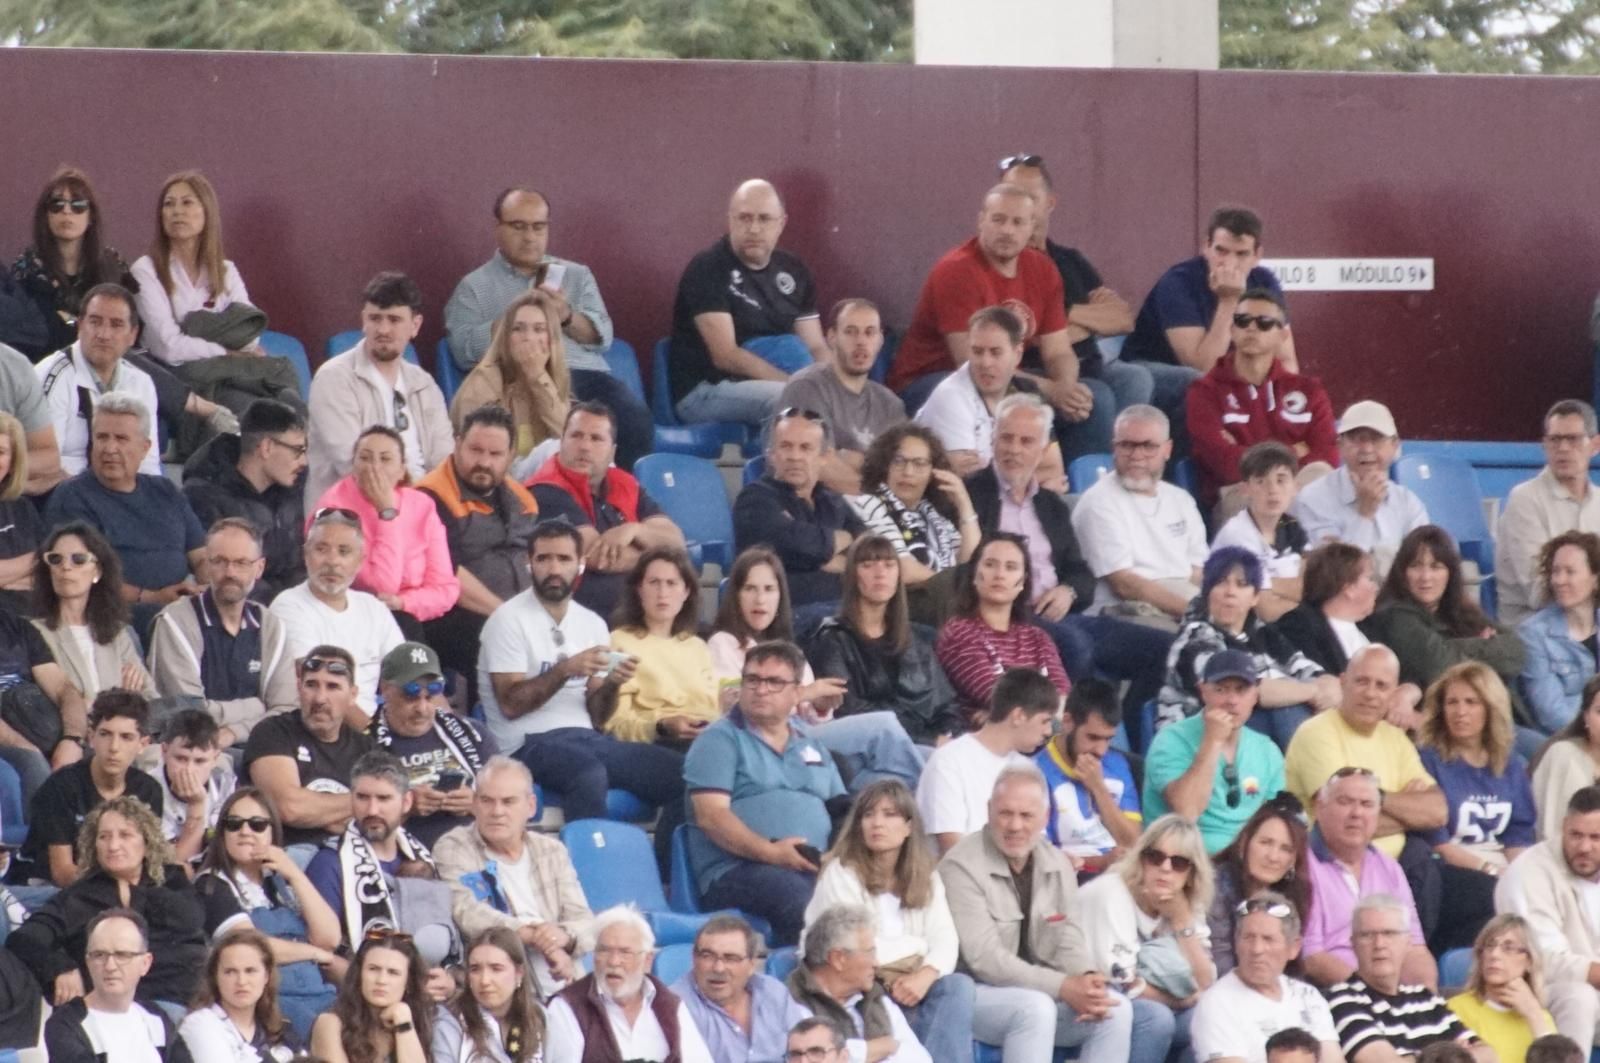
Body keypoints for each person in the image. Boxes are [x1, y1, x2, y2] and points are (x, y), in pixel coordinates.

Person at [477, 519, 685, 867]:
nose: (554, 569)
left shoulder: (592, 623)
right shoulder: (507, 620)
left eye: (563, 559)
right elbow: (511, 704)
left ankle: (662, 874)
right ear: (529, 565)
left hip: (586, 737)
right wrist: (565, 669)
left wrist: (614, 682)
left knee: (682, 773)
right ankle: (588, 880)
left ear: (581, 564)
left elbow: (600, 717)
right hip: (525, 743)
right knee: (587, 773)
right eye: (543, 559)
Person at [967, 391, 1173, 712]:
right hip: (1011, 614)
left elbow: (1080, 572)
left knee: (1167, 649)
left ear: (1042, 448)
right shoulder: (970, 495)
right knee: (1075, 647)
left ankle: (1128, 729)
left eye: (1026, 441)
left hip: (1064, 614)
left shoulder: (1050, 505)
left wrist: (1068, 591)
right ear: (992, 439)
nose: (1014, 450)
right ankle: (1072, 736)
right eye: (1006, 438)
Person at [939, 763, 1154, 1063]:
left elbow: (1069, 939)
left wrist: (1087, 978)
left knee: (1113, 1009)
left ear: (1045, 817)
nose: (1015, 826)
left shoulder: (1057, 863)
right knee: (1035, 1009)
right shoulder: (960, 865)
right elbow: (984, 959)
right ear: (989, 811)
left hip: (1037, 989)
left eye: (1026, 815)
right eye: (1005, 813)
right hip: (973, 995)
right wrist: (1063, 986)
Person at [892, 186, 1111, 462]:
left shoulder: (1043, 269)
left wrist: (1066, 388)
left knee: (1095, 400)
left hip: (1005, 374)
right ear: (981, 220)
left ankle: (1066, 491)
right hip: (935, 380)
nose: (1007, 230)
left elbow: (1058, 350)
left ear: (1032, 227)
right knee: (1007, 393)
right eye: (998, 220)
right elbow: (973, 363)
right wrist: (1051, 391)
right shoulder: (956, 270)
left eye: (1018, 222)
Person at [445, 185, 648, 467]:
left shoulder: (577, 275)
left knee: (633, 418)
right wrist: (513, 323)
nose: (529, 237)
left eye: (538, 228)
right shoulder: (474, 287)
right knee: (563, 436)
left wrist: (565, 315)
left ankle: (617, 498)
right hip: (516, 377)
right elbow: (462, 349)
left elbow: (603, 337)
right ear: (498, 228)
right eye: (519, 227)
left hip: (581, 373)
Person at [706, 546, 924, 793]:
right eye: (750, 589)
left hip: (809, 737)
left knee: (930, 757)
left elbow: (814, 716)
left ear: (780, 597)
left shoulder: (790, 650)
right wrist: (804, 693)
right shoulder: (724, 643)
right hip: (774, 742)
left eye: (769, 589)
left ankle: (863, 801)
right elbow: (737, 706)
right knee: (884, 726)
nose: (760, 600)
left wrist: (821, 706)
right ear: (735, 596)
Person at [9, 795, 247, 1011]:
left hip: (201, 997)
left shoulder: (170, 879)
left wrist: (132, 894)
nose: (113, 846)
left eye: (125, 835)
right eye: (104, 837)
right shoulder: (80, 896)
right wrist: (59, 967)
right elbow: (25, 939)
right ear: (94, 845)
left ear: (146, 842)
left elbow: (190, 918)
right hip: (143, 1007)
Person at [685, 639, 846, 946]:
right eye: (753, 680)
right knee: (801, 899)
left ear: (797, 693)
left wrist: (836, 858)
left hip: (812, 865)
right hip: (737, 870)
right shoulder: (718, 740)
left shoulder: (811, 744)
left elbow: (841, 809)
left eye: (774, 682)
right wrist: (771, 853)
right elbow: (711, 816)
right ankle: (802, 988)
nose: (761, 690)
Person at [801, 780, 974, 1061]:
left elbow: (945, 939)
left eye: (889, 814)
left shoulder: (925, 876)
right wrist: (918, 948)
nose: (876, 823)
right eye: (868, 815)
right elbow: (852, 949)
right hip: (858, 985)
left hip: (911, 986)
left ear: (908, 827)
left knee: (957, 987)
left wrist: (925, 974)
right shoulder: (840, 872)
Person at [128, 171, 300, 417]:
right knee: (252, 412)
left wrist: (195, 329)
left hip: (230, 372)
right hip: (185, 380)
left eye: (187, 202)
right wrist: (226, 349)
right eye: (169, 204)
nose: (177, 211)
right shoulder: (146, 270)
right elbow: (167, 347)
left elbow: (249, 334)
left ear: (206, 212)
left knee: (287, 402)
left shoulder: (226, 270)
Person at [998, 154, 1153, 417]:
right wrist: (1079, 323)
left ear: (1050, 203)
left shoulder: (1069, 259)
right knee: (1097, 396)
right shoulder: (1005, 262)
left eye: (1030, 199)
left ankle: (1126, 452)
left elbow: (1122, 319)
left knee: (1137, 378)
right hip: (1036, 369)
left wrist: (1064, 316)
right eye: (1012, 197)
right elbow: (1031, 336)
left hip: (1092, 360)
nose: (1020, 207)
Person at [43, 392, 208, 635]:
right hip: (113, 613)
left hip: (178, 607)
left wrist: (206, 587)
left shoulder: (165, 491)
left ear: (145, 448)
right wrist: (150, 596)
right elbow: (76, 575)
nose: (110, 448)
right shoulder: (73, 496)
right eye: (102, 437)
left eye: (121, 439)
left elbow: (201, 555)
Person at [669, 179, 826, 430]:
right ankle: (777, 470)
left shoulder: (794, 270)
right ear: (730, 221)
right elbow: (726, 356)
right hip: (706, 390)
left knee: (837, 404)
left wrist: (833, 389)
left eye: (764, 219)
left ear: (781, 223)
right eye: (744, 218)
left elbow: (816, 346)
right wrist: (796, 386)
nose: (753, 228)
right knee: (789, 401)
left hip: (775, 380)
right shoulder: (707, 267)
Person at [433, 756, 595, 1000]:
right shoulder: (454, 847)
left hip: (566, 986)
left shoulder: (551, 850)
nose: (497, 811)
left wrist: (563, 937)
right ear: (474, 804)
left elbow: (585, 922)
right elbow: (469, 913)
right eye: (487, 801)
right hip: (495, 993)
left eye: (508, 802)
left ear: (530, 806)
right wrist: (530, 934)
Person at [1122, 206, 1294, 431]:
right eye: (1221, 251)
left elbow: (1287, 359)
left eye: (1241, 254)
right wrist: (1229, 301)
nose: (1229, 263)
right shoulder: (1179, 282)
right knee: (1199, 384)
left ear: (1257, 256)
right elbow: (1203, 366)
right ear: (1206, 247)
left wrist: (1284, 405)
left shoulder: (1265, 282)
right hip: (1156, 371)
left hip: (1229, 377)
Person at [191, 787, 343, 1040]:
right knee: (332, 1033)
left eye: (258, 825)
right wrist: (316, 953)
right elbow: (252, 947)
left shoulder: (280, 882)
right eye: (234, 824)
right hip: (273, 1001)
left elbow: (329, 937)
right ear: (222, 833)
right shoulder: (211, 885)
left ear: (273, 832)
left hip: (321, 993)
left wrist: (294, 873)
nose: (245, 832)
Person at [302, 752, 456, 991]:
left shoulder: (423, 858)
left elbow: (448, 936)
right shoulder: (329, 864)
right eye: (363, 798)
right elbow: (323, 958)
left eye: (384, 798)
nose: (372, 809)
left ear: (406, 802)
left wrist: (449, 978)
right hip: (362, 999)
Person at [1156, 546, 1338, 743]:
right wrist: (1311, 692)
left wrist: (1328, 686)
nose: (1230, 592)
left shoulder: (1263, 632)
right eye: (1220, 583)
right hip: (1194, 738)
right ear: (1207, 592)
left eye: (1241, 584)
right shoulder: (1194, 636)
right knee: (1286, 709)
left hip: (1248, 734)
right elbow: (1245, 691)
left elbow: (1307, 669)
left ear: (1255, 597)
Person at [1283, 645, 1447, 861]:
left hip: (1396, 869)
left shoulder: (1394, 737)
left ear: (1393, 694)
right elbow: (1338, 825)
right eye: (1361, 681)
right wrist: (1409, 814)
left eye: (1381, 686)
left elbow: (1438, 812)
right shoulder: (1316, 732)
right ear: (1343, 682)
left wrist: (1378, 797)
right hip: (1331, 866)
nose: (1370, 694)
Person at [416, 404, 540, 687]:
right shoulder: (430, 496)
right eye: (475, 450)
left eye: (495, 454)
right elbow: (448, 572)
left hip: (519, 609)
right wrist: (507, 615)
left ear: (511, 456)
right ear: (458, 444)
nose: (484, 462)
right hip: (459, 616)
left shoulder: (523, 499)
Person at [1415, 662, 1536, 951]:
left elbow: (1517, 837)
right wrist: (1491, 870)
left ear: (1490, 708)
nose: (1460, 712)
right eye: (1452, 702)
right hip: (1450, 868)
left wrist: (1523, 875)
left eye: (1471, 702)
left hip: (1498, 865)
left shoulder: (1510, 765)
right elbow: (1438, 842)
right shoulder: (1427, 760)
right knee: (1494, 895)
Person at [526, 401, 685, 619]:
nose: (584, 446)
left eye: (596, 438)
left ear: (612, 452)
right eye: (576, 436)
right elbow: (596, 557)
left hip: (636, 613)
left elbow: (675, 541)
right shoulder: (546, 490)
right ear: (561, 442)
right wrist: (661, 557)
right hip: (580, 617)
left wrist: (634, 530)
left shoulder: (625, 483)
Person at [305, 272, 453, 504]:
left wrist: (423, 507)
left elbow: (444, 461)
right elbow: (356, 467)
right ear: (364, 320)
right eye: (375, 318)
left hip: (420, 507)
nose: (383, 330)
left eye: (394, 320)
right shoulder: (333, 378)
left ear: (415, 325)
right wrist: (414, 505)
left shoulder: (425, 385)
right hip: (348, 517)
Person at [1077, 816, 1217, 1059]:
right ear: (1141, 858)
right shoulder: (1111, 893)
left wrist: (1182, 921)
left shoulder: (1186, 902)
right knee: (1157, 1018)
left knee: (1208, 1019)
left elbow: (1206, 981)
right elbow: (1124, 983)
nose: (1165, 868)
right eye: (1155, 857)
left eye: (1179, 862)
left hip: (1147, 1000)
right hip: (1090, 1000)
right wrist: (1181, 1001)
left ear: (1191, 873)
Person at [1185, 288, 1336, 513]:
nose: (1252, 328)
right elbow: (1225, 465)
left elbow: (1327, 456)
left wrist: (1245, 451)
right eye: (1242, 320)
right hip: (1240, 495)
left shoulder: (1309, 390)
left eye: (1264, 322)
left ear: (1282, 336)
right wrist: (1295, 451)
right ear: (1232, 329)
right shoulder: (1204, 391)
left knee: (1321, 476)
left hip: (1298, 490)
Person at [148, 517, 296, 748]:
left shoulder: (271, 626)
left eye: (242, 563)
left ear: (260, 568)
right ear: (206, 564)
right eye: (220, 561)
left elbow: (287, 709)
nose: (230, 572)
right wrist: (257, 706)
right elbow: (188, 714)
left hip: (259, 746)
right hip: (190, 751)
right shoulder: (176, 621)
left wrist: (233, 733)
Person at [806, 534, 963, 747]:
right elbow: (848, 708)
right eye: (868, 565)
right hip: (872, 750)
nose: (880, 573)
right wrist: (929, 741)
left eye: (889, 565)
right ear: (853, 576)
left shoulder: (915, 640)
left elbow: (946, 706)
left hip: (933, 746)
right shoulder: (832, 638)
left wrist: (948, 737)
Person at [1367, 524, 1527, 729]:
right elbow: (1438, 665)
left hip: (1495, 721)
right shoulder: (1395, 615)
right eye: (1416, 566)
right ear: (1402, 572)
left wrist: (1449, 646)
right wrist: (1481, 645)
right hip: (1444, 727)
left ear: (1450, 573)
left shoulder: (1461, 612)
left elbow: (1515, 651)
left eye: (1436, 566)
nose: (1426, 577)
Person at [309, 425, 460, 633]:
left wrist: (404, 602)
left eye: (385, 459)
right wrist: (387, 513)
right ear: (353, 465)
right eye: (365, 458)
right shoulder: (334, 507)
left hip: (415, 610)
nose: (374, 467)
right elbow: (382, 586)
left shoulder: (422, 505)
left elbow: (445, 588)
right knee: (406, 627)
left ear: (401, 470)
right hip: (359, 613)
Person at [1070, 404, 1208, 625]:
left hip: (1182, 598)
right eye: (1126, 445)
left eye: (1148, 446)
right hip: (1125, 610)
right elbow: (1124, 584)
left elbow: (1197, 570)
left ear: (1168, 449)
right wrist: (1197, 613)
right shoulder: (1099, 501)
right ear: (1113, 447)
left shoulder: (1180, 499)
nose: (1137, 455)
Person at [1299, 770, 1436, 990]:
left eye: (1366, 804)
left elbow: (1414, 948)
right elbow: (1312, 958)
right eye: (1345, 802)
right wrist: (1373, 996)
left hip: (1389, 995)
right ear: (1320, 808)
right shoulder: (1302, 864)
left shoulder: (1388, 867)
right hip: (1332, 996)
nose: (1356, 813)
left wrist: (1426, 998)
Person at [9, 689, 160, 887]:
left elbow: (150, 861)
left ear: (143, 744)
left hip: (120, 887)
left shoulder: (148, 790)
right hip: (48, 889)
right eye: (105, 734)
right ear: (91, 737)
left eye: (126, 737)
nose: (114, 747)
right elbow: (62, 872)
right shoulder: (60, 787)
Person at [1144, 650, 1288, 853]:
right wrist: (1212, 741)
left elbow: (1276, 821)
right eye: (1221, 689)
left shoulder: (1267, 750)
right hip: (1181, 862)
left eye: (1241, 690)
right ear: (1203, 692)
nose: (1232, 700)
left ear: (1255, 695)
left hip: (1243, 864)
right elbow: (1187, 813)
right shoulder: (1171, 740)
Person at [268, 509, 405, 719]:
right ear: (305, 555)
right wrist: (373, 736)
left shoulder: (373, 608)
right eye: (322, 549)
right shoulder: (288, 605)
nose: (332, 561)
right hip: (318, 725)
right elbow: (322, 689)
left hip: (370, 726)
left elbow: (405, 675)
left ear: (360, 560)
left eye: (344, 551)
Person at [1495, 784, 1600, 1057]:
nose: (1584, 847)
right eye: (1575, 835)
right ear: (1563, 826)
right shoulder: (1531, 872)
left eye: (1596, 837)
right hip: (1537, 991)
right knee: (1579, 997)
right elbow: (1545, 960)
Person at [912, 305, 1067, 486]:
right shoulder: (951, 397)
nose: (985, 363)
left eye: (995, 352)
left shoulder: (1027, 393)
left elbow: (1053, 469)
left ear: (1017, 354)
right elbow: (971, 485)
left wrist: (1012, 479)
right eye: (977, 352)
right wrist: (1033, 484)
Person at [1323, 895, 1490, 1062]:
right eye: (1367, 935)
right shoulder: (1341, 999)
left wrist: (1414, 1058)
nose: (1379, 944)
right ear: (1353, 943)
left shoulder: (1426, 998)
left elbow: (1490, 1056)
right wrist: (1452, 1056)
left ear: (1408, 942)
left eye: (1389, 933)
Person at [545, 905, 715, 1063]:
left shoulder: (670, 1005)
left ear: (647, 961)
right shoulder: (567, 1006)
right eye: (604, 950)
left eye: (625, 952)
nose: (614, 961)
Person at [29, 522, 146, 751]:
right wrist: (122, 699)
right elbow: (51, 700)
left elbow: (148, 694)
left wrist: (98, 703)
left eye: (78, 559)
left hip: (127, 743)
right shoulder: (34, 632)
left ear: (98, 571)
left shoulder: (117, 632)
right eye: (56, 559)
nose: (66, 567)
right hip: (75, 743)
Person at [242, 645, 373, 850]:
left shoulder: (367, 748)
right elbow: (289, 808)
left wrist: (318, 811)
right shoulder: (272, 732)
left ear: (352, 695)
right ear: (299, 688)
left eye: (333, 687)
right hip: (289, 855)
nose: (320, 698)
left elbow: (384, 816)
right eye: (311, 685)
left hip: (354, 854)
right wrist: (363, 803)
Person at [917, 667, 1060, 853]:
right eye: (1045, 721)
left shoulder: (1028, 769)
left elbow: (1038, 840)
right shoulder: (948, 761)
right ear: (1018, 717)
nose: (1049, 731)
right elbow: (952, 848)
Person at [733, 407, 866, 607]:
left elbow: (866, 547)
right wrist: (841, 541)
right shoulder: (754, 499)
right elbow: (794, 543)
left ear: (825, 457)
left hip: (840, 616)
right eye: (786, 446)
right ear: (771, 455)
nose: (795, 456)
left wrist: (813, 555)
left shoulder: (832, 500)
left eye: (805, 448)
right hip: (783, 619)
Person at [1187, 891, 1340, 1063]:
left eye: (1268, 939)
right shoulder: (1218, 1003)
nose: (1257, 949)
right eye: (1248, 937)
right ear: (1236, 943)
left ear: (1294, 948)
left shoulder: (1308, 996)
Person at [933, 533, 1069, 725]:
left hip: (1040, 738)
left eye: (1011, 567)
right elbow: (999, 699)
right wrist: (1043, 716)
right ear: (973, 575)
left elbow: (1062, 697)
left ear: (1023, 581)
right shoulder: (959, 633)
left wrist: (1020, 717)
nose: (1000, 574)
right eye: (990, 565)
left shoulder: (1038, 637)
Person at [182, 398, 308, 602]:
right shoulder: (204, 496)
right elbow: (225, 576)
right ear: (266, 447)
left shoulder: (293, 487)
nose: (304, 461)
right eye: (297, 451)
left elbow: (299, 567)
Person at [848, 422, 980, 614]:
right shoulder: (869, 504)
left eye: (919, 464)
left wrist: (964, 504)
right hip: (903, 608)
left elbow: (971, 563)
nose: (908, 472)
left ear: (933, 472)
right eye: (899, 461)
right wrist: (959, 592)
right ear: (884, 466)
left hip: (945, 606)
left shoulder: (933, 518)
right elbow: (905, 569)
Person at [776, 299, 906, 493]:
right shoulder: (807, 387)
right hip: (821, 509)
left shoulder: (890, 403)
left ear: (880, 340)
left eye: (869, 332)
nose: (861, 341)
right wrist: (879, 493)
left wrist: (853, 459)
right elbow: (819, 466)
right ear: (831, 337)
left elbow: (904, 471)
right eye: (850, 332)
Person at [370, 641, 491, 846]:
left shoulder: (472, 734)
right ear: (385, 690)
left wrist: (476, 802)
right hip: (407, 854)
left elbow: (512, 801)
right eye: (411, 697)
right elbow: (352, 820)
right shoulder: (363, 743)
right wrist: (405, 807)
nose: (422, 708)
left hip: (476, 850)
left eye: (430, 697)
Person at [9, 166, 136, 361]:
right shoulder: (27, 268)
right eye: (57, 205)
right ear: (46, 215)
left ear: (91, 215)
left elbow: (131, 327)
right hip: (47, 365)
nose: (67, 212)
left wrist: (67, 320)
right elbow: (36, 334)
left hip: (109, 361)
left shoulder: (113, 264)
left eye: (77, 205)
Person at [35, 283, 162, 477]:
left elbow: (148, 464)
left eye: (116, 324)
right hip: (63, 494)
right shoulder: (53, 374)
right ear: (80, 326)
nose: (103, 334)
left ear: (133, 335)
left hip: (120, 492)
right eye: (95, 322)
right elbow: (44, 466)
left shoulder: (141, 383)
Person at [784, 904, 933, 1063]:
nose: (876, 963)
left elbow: (920, 1058)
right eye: (870, 953)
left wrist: (880, 1048)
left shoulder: (875, 997)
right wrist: (886, 1047)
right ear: (838, 959)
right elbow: (815, 1057)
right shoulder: (792, 1002)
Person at [1496, 399, 1600, 624]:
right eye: (1555, 440)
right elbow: (1538, 592)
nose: (1563, 448)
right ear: (1545, 445)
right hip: (1535, 626)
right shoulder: (1524, 499)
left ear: (1595, 445)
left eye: (1572, 439)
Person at [603, 547, 716, 749]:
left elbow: (714, 709)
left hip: (710, 740)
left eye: (671, 583)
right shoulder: (619, 642)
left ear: (686, 592)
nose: (663, 593)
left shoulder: (697, 647)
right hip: (659, 744)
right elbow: (614, 723)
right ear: (639, 589)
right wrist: (661, 726)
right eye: (654, 583)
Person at [1291, 401, 1429, 565]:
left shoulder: (1407, 501)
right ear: (1340, 445)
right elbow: (1330, 574)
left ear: (1395, 446)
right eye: (1356, 439)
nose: (1367, 449)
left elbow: (1423, 566)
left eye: (1376, 438)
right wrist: (1364, 514)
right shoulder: (1313, 499)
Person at [41, 908, 177, 1063]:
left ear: (145, 963)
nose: (110, 966)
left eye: (122, 955)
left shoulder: (156, 1018)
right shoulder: (65, 1025)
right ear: (88, 962)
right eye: (99, 955)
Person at [451, 288, 570, 464]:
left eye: (539, 329)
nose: (528, 338)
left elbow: (567, 436)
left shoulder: (553, 380)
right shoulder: (484, 379)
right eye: (518, 329)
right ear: (506, 337)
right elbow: (475, 447)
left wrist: (537, 377)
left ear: (551, 339)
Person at [672, 914, 812, 1063]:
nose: (718, 968)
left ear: (751, 964)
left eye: (731, 958)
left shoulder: (773, 992)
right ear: (694, 958)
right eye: (707, 956)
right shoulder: (676, 1005)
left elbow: (805, 1050)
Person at [1034, 678, 1141, 871]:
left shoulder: (1117, 764)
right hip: (1067, 880)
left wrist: (1099, 789)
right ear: (1067, 722)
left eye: (1108, 739)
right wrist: (1100, 863)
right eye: (1092, 737)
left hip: (1120, 874)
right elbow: (1040, 855)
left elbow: (1133, 843)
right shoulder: (1035, 772)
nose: (1101, 750)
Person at [1205, 795, 1312, 978]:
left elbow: (1292, 967)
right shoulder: (1214, 886)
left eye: (1285, 849)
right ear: (1244, 844)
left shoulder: (1296, 896)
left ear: (1294, 860)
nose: (1273, 856)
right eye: (1265, 843)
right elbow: (1221, 966)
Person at [1211, 441, 1315, 621]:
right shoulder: (1237, 535)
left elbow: (1314, 586)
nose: (1272, 490)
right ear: (1245, 489)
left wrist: (1269, 584)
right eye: (1261, 481)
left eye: (1281, 480)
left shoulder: (1294, 527)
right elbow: (1265, 610)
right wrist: (1313, 612)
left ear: (1295, 487)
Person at [173, 926, 302, 1063]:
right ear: (215, 977)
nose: (241, 981)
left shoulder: (281, 1031)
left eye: (250, 971)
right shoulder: (200, 1024)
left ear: (266, 976)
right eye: (230, 972)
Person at [309, 929, 432, 1063]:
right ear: (359, 974)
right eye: (373, 969)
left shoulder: (416, 1022)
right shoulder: (330, 1024)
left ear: (408, 982)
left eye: (393, 973)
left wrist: (403, 1022)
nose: (381, 980)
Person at [1519, 530, 1600, 734]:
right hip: (1567, 740)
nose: (1559, 580)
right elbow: (1551, 713)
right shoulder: (1534, 634)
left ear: (1595, 580)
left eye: (1570, 572)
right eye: (1555, 571)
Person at [1446, 914, 1556, 1063]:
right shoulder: (1455, 1009)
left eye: (1508, 948)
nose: (1494, 954)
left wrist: (1534, 1015)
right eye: (1489, 946)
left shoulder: (1541, 1018)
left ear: (1529, 961)